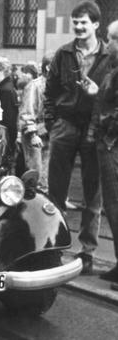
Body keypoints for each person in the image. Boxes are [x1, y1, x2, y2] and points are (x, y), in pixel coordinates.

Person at [44, 1, 110, 274]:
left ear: (96, 24)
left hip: (94, 129)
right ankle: (54, 246)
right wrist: (52, 123)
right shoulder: (64, 53)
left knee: (92, 193)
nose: (79, 27)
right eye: (75, 22)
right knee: (56, 190)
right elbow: (50, 90)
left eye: (84, 22)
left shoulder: (109, 55)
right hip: (65, 127)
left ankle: (87, 252)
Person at [91, 40, 118, 288]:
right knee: (111, 206)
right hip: (109, 142)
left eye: (113, 39)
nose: (109, 43)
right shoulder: (112, 68)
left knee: (115, 204)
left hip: (112, 144)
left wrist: (105, 130)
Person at [18, 55, 53, 196]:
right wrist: (33, 134)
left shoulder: (56, 85)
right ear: (49, 67)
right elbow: (27, 112)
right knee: (36, 175)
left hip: (51, 135)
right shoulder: (34, 85)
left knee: (48, 176)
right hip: (37, 135)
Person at [0, 56, 19, 152]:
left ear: (2, 71)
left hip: (4, 138)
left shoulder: (5, 91)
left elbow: (8, 119)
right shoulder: (6, 87)